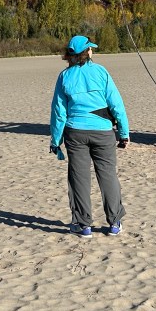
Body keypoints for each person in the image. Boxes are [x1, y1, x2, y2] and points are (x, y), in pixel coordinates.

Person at [49, 35, 130, 237]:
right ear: (87, 52)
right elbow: (116, 104)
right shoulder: (101, 71)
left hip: (75, 133)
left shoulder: (64, 76)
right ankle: (114, 222)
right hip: (103, 132)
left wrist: (55, 140)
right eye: (90, 48)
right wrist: (124, 133)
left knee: (79, 179)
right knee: (108, 175)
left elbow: (59, 112)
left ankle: (83, 225)